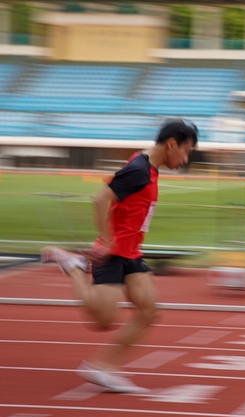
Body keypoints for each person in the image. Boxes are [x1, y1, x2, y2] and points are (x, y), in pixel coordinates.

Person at [41, 118, 198, 393]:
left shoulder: (149, 167)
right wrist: (107, 241)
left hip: (131, 253)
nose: (185, 159)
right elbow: (100, 199)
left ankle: (104, 368)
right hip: (113, 253)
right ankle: (74, 266)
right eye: (186, 151)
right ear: (172, 144)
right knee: (103, 320)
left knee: (149, 310)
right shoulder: (139, 169)